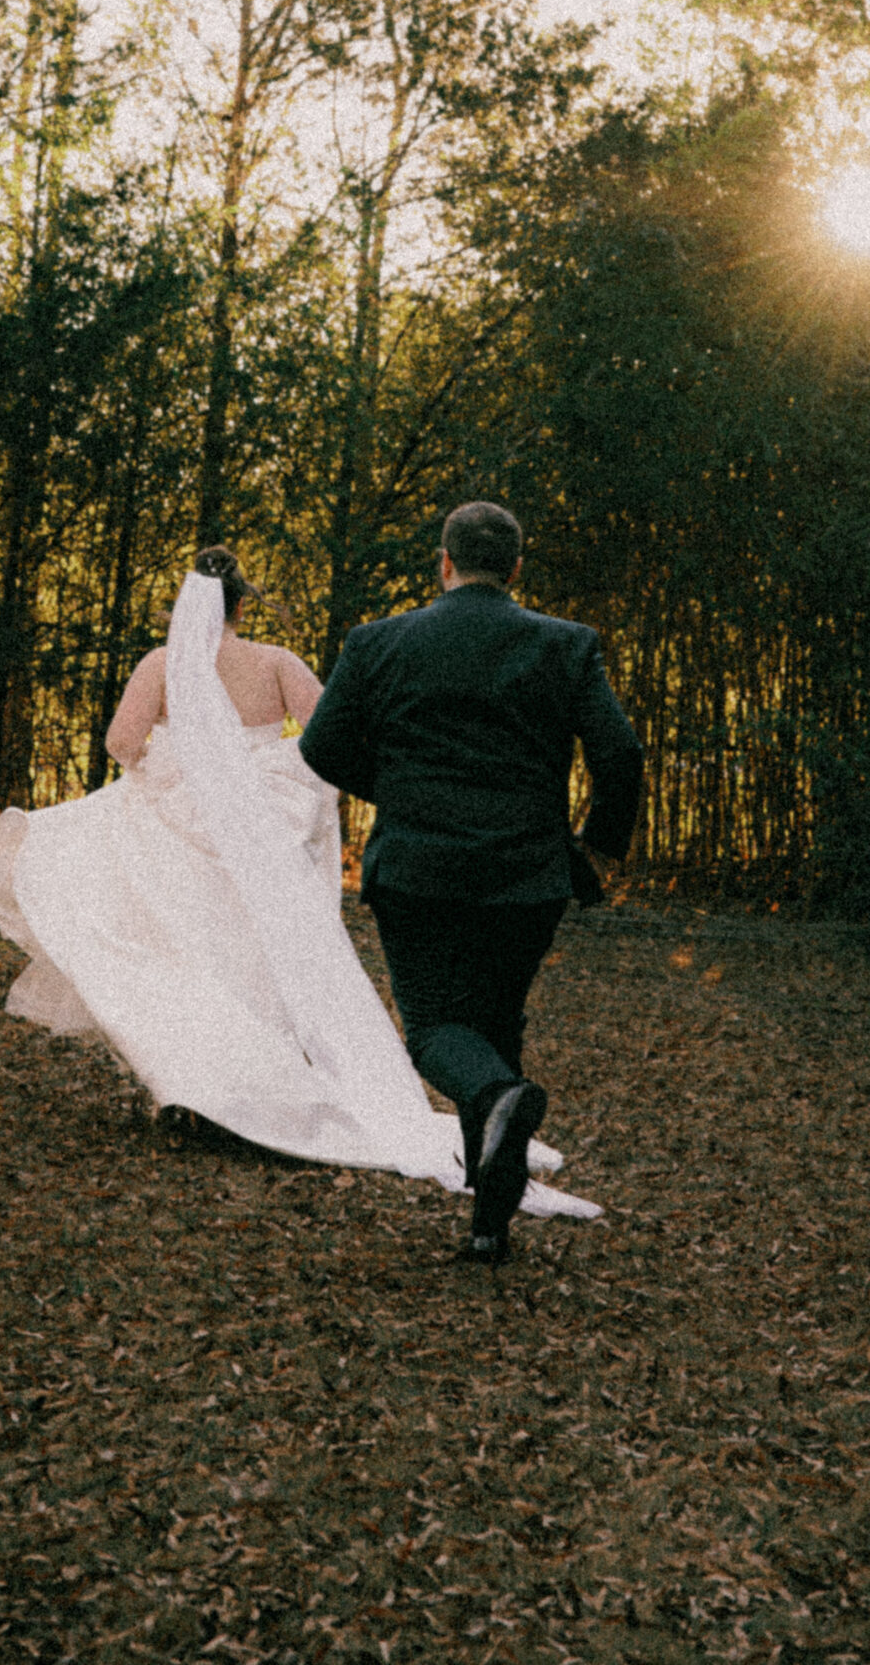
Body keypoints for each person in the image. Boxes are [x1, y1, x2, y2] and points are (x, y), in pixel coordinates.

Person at [0, 545, 600, 1225]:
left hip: (179, 823)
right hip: (261, 827)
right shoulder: (276, 662)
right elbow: (331, 733)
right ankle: (257, 1086)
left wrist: (173, 767)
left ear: (185, 610)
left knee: (189, 952)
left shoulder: (161, 666)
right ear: (243, 605)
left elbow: (122, 743)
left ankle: (203, 1090)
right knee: (259, 957)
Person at [298, 500, 643, 1262]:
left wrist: (403, 791)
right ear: (517, 569)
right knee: (496, 1027)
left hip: (418, 868)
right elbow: (619, 753)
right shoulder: (566, 645)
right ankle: (489, 1224)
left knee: (434, 1034)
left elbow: (321, 748)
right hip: (527, 874)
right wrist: (599, 849)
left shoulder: (377, 642)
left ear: (443, 563)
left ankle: (495, 1118)